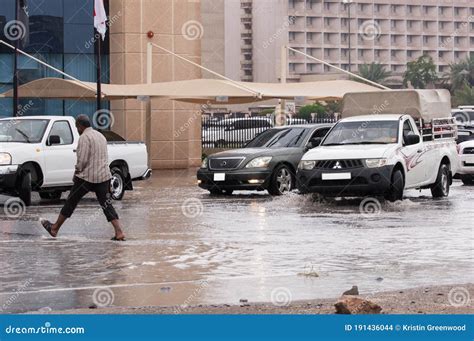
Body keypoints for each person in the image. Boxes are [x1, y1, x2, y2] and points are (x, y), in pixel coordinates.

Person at [41, 115, 126, 241]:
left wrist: (76, 173)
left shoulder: (84, 138)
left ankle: (54, 228)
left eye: (77, 127)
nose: (77, 129)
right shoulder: (100, 136)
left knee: (71, 201)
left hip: (86, 177)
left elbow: (82, 160)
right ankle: (119, 232)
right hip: (103, 176)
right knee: (106, 204)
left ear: (80, 126)